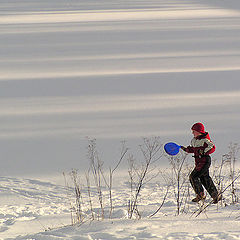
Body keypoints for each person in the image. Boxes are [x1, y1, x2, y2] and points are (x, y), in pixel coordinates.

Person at [181, 122, 221, 203]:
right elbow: (193, 149)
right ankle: (215, 196)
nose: (192, 133)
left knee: (193, 177)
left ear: (199, 131)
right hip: (199, 162)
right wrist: (186, 149)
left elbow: (212, 147)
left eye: (194, 131)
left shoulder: (205, 140)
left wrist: (203, 151)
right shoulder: (194, 140)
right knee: (204, 178)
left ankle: (200, 195)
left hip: (204, 161)